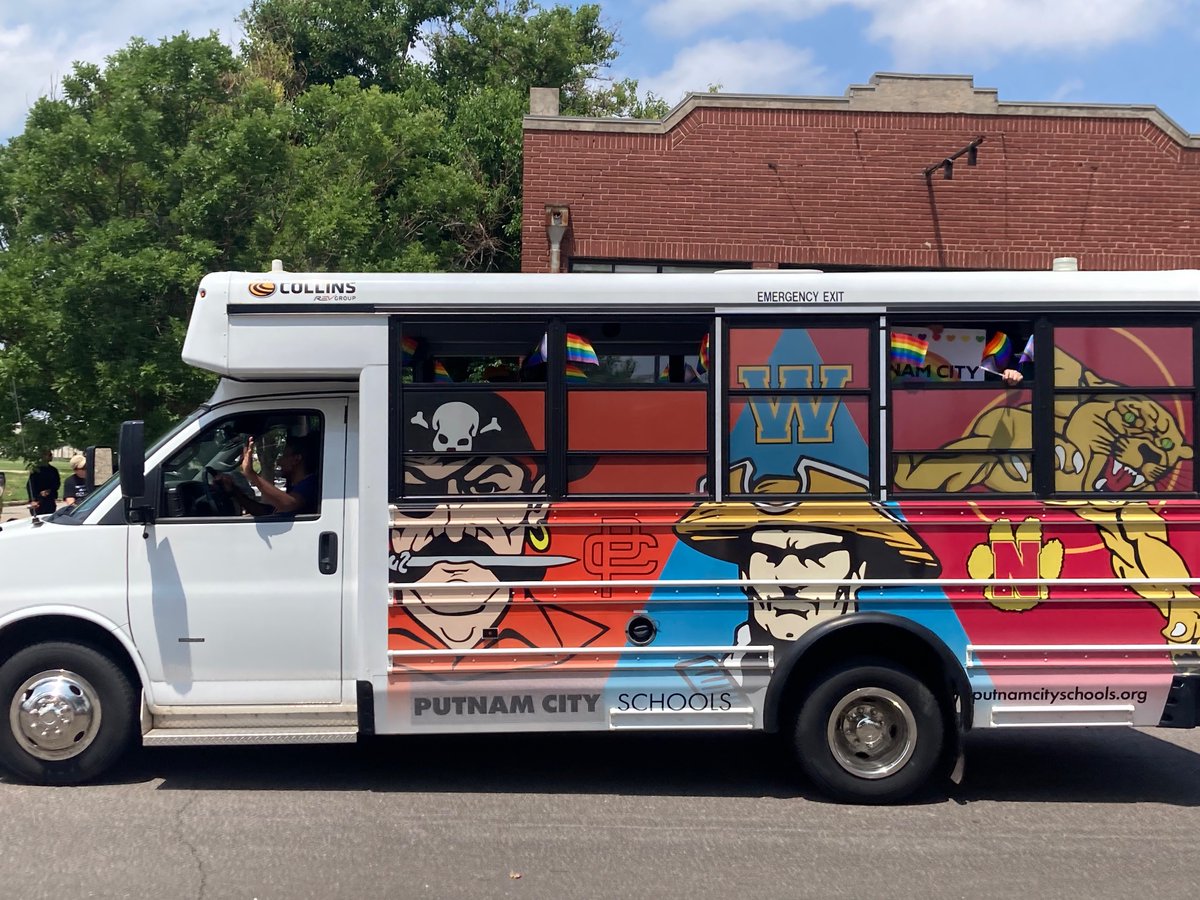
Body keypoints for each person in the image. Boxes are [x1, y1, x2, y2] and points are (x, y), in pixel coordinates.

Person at [389, 392, 610, 671]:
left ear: (535, 507)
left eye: (487, 490)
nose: (454, 532)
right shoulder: (572, 644)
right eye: (417, 493)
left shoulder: (577, 643)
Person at [676, 461, 941, 669]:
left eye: (815, 555)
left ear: (858, 571)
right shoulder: (706, 675)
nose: (788, 579)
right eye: (769, 555)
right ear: (744, 573)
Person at [217, 433, 320, 517]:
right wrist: (235, 492)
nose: (279, 462)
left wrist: (251, 474)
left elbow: (289, 505)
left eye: (283, 456)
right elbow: (266, 512)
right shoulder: (296, 487)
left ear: (296, 459)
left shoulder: (311, 485)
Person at [26, 450, 60, 516]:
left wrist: (50, 490)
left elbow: (57, 484)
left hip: (50, 500)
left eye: (51, 455)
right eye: (49, 455)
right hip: (38, 500)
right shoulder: (36, 470)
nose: (51, 456)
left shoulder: (53, 470)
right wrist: (33, 500)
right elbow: (30, 486)